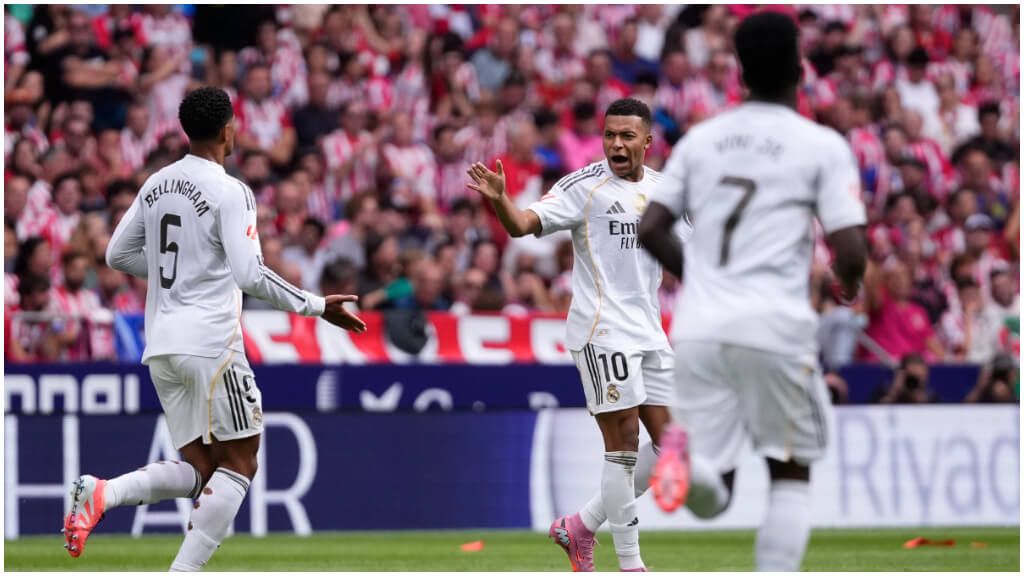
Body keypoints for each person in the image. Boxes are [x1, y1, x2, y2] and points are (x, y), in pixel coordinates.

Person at [62, 87, 366, 570]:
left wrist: (181, 274)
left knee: (205, 471)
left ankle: (103, 492)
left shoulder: (157, 182)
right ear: (229, 130)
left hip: (160, 345)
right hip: (211, 345)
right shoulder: (231, 190)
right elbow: (250, 275)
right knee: (242, 464)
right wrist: (314, 305)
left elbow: (116, 254)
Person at [638, 12, 867, 572]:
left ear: (738, 70)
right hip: (775, 327)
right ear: (799, 67)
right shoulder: (820, 144)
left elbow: (651, 228)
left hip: (699, 328)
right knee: (790, 476)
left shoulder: (701, 139)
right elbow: (851, 248)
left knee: (716, 497)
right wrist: (848, 282)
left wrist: (708, 282)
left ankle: (695, 467)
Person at [468, 98, 688, 572]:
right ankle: (631, 565)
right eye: (610, 135)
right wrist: (501, 200)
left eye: (628, 136)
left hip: (649, 330)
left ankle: (581, 526)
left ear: (648, 142)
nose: (617, 144)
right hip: (600, 328)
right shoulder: (584, 187)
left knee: (673, 442)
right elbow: (523, 225)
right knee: (624, 442)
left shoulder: (667, 192)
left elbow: (696, 259)